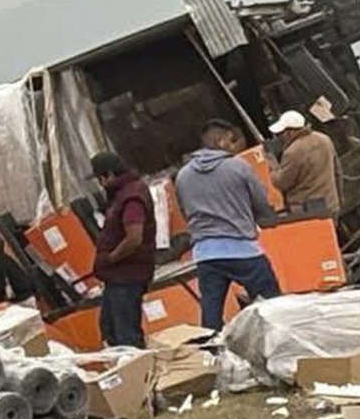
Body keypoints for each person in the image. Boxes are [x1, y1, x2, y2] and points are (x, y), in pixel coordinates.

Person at [176, 119, 283, 331]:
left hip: (206, 254)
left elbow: (184, 211)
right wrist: (264, 219)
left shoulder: (183, 176)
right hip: (242, 250)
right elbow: (261, 202)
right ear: (220, 140)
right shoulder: (238, 167)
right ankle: (275, 344)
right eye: (230, 140)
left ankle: (211, 354)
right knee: (272, 303)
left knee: (211, 312)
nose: (233, 145)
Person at [92, 152, 157, 348]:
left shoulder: (131, 198)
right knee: (110, 328)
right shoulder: (122, 195)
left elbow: (134, 238)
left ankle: (137, 373)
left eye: (100, 178)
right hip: (118, 276)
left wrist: (111, 258)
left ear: (109, 175)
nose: (101, 184)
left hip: (127, 276)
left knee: (126, 335)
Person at [269, 110, 340, 218]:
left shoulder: (292, 152)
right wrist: (338, 200)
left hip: (308, 211)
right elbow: (337, 171)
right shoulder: (324, 139)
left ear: (290, 132)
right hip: (330, 205)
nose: (280, 138)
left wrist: (272, 167)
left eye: (280, 134)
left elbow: (282, 182)